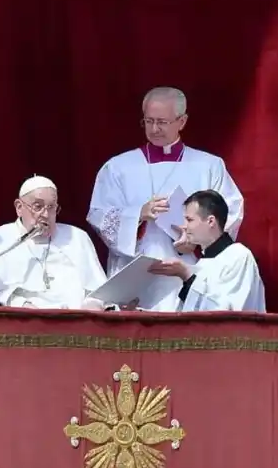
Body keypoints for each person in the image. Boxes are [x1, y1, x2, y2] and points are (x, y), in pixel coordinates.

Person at [87, 87, 244, 311]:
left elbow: (230, 212)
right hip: (136, 272)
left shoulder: (209, 165)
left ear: (182, 121)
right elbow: (99, 214)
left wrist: (198, 242)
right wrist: (138, 214)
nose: (154, 128)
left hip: (189, 267)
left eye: (162, 122)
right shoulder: (118, 167)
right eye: (148, 121)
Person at [0, 176, 108, 309]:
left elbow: (99, 290)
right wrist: (21, 305)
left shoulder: (77, 237)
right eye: (38, 206)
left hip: (76, 325)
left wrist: (93, 303)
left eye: (51, 207)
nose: (46, 214)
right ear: (19, 207)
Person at [147, 190, 265, 311]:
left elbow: (228, 312)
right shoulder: (201, 263)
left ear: (211, 221)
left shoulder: (239, 256)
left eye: (190, 220)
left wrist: (187, 276)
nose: (184, 226)